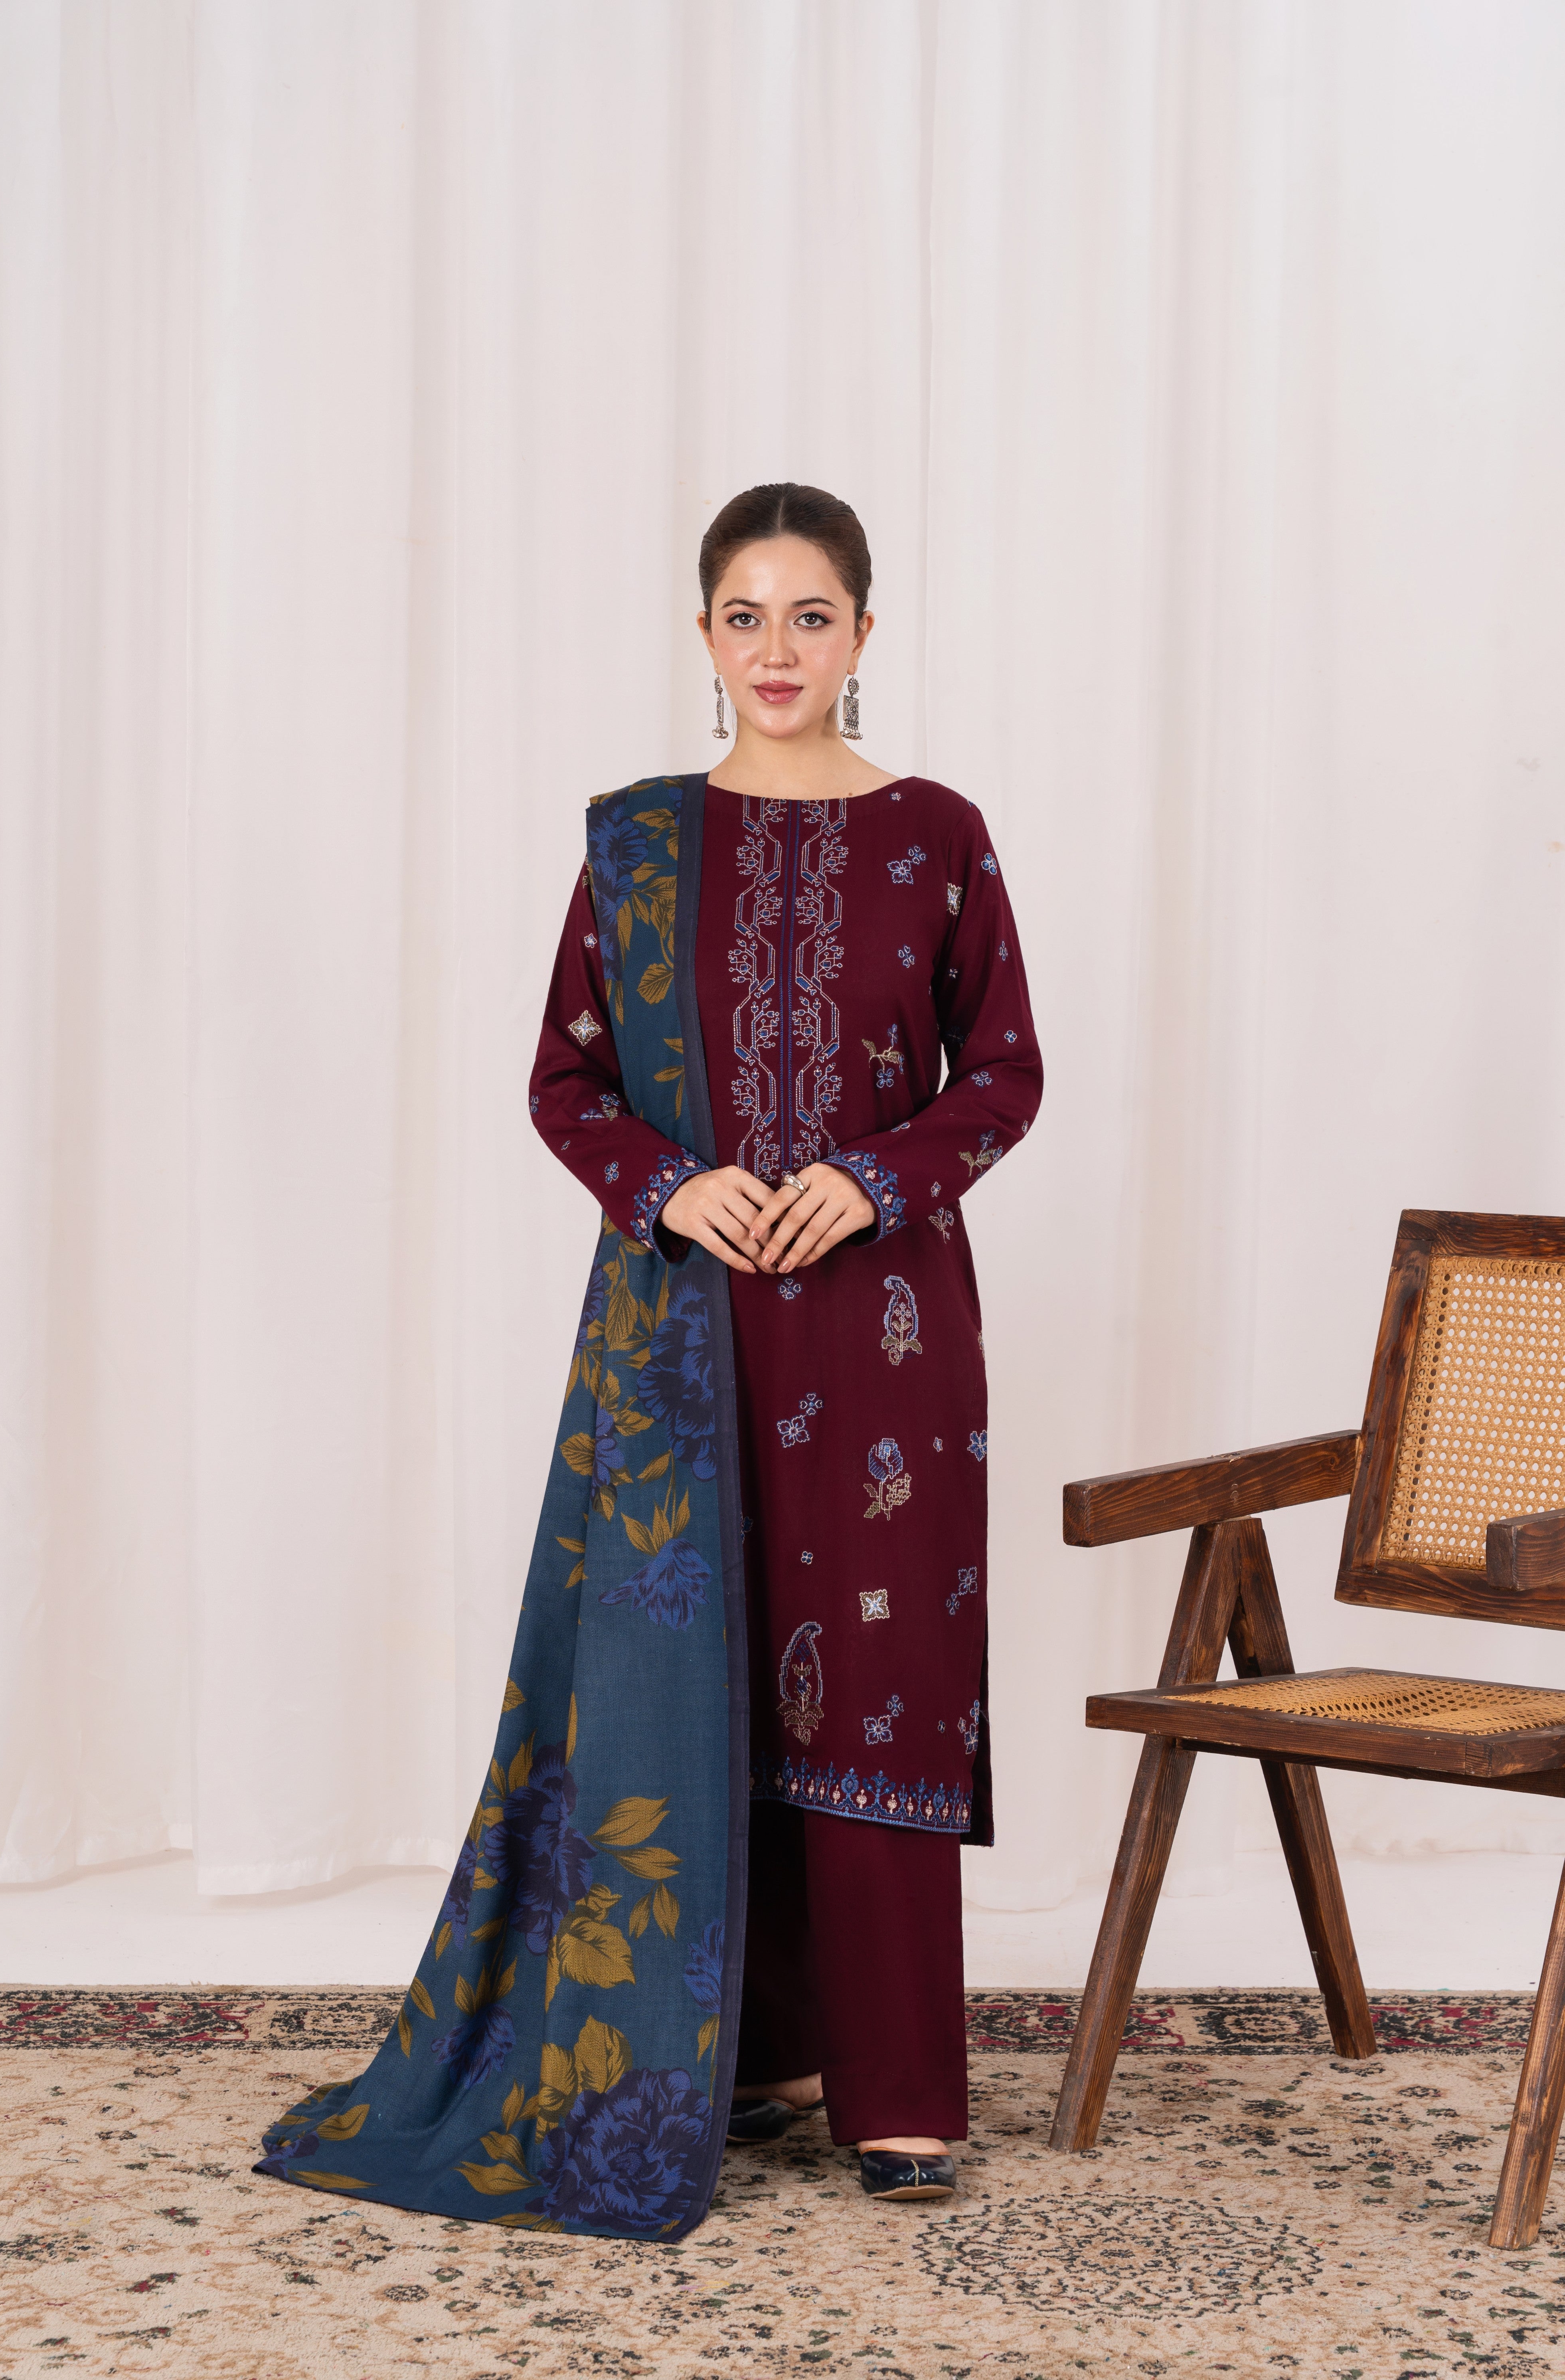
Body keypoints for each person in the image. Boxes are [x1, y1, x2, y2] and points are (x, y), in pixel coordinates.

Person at [257, 483, 1041, 2238]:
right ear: (703, 637)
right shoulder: (636, 843)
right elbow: (566, 1077)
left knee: (876, 1682)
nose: (778, 648)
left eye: (811, 614)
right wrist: (674, 1189)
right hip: (678, 1327)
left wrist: (869, 1181)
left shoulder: (936, 833)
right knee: (698, 1677)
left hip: (884, 1325)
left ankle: (898, 2095)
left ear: (863, 631)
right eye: (745, 616)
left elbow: (1001, 1072)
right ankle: (734, 2054)